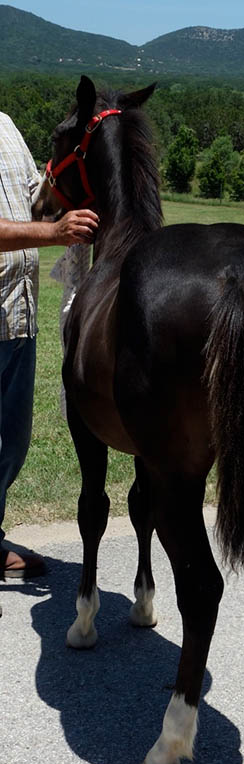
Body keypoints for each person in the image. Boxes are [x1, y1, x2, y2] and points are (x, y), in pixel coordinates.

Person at [0, 110, 98, 583]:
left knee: (11, 444)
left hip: (19, 319)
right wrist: (54, 234)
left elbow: (38, 200)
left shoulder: (8, 127)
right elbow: (41, 226)